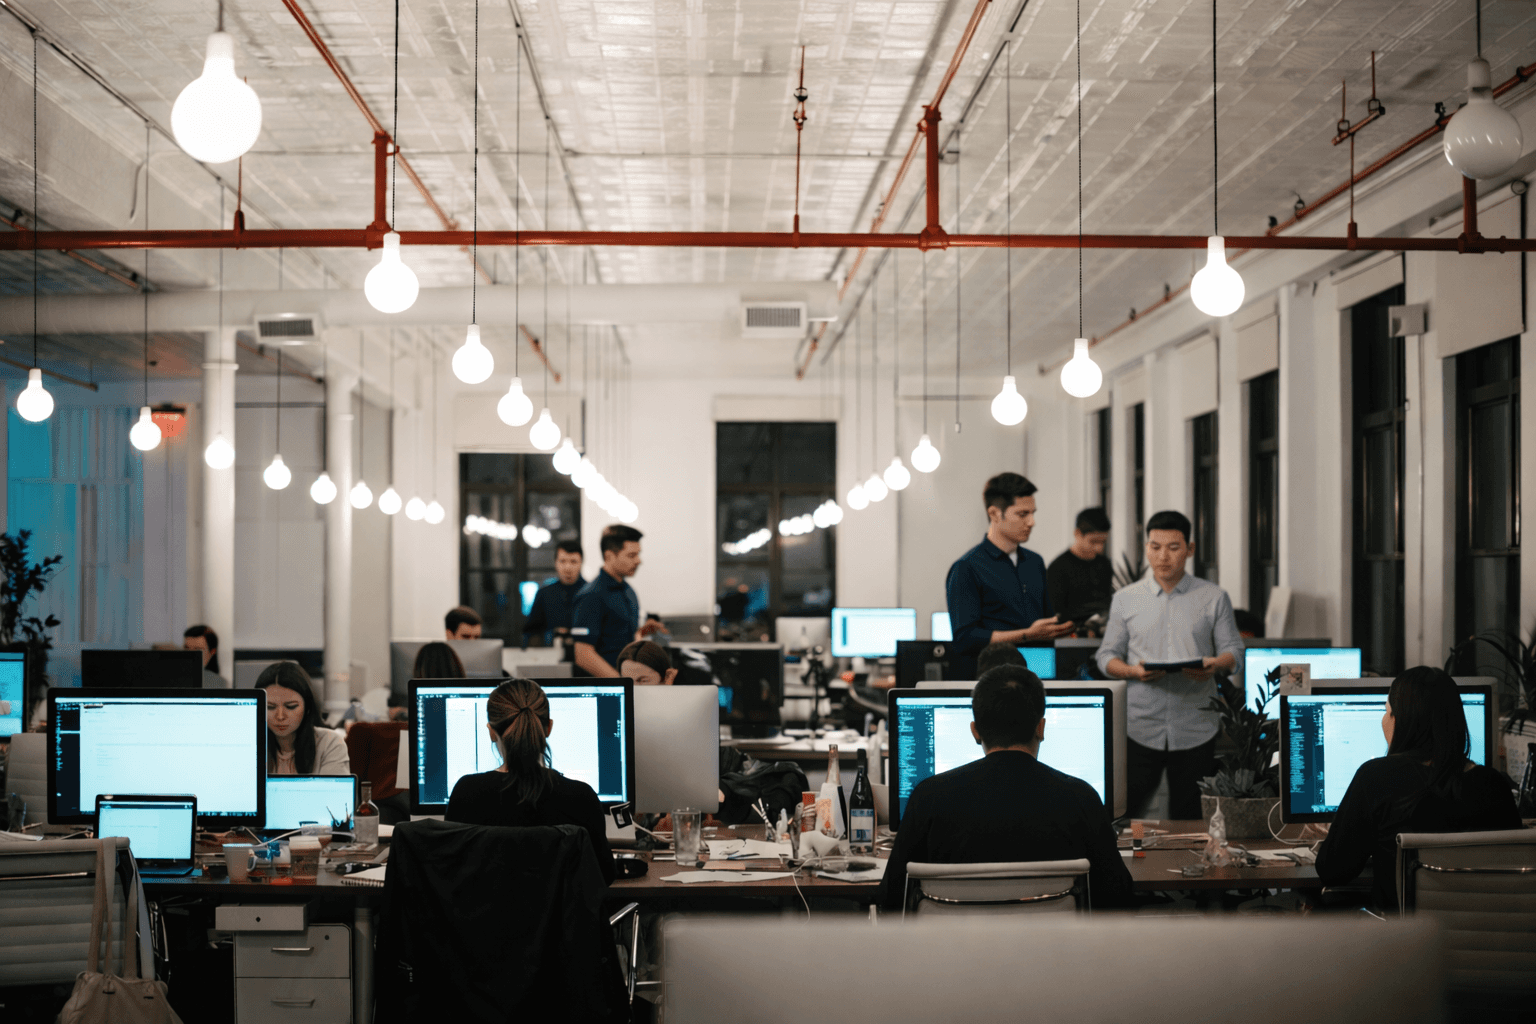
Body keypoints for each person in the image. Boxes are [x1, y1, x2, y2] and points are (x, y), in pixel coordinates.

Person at [879, 665, 1133, 911]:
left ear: (975, 731)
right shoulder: (1082, 797)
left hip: (954, 950)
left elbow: (892, 898)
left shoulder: (928, 796)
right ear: (1041, 728)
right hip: (1055, 950)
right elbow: (1117, 897)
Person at [1315, 667, 1521, 910]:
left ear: (1401, 721)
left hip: (1407, 942)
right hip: (1485, 940)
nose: (1384, 720)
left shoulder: (1376, 777)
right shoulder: (1493, 785)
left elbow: (1332, 871)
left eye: (1387, 711)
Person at [1096, 510, 1244, 820]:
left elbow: (1234, 652)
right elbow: (1106, 656)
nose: (1163, 556)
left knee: (1190, 818)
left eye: (1174, 547)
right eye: (1155, 546)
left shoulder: (1213, 597)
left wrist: (1214, 665)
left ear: (1189, 549)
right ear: (1146, 547)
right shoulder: (1125, 598)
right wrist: (1134, 671)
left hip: (1196, 726)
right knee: (1124, 815)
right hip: (1138, 725)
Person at [445, 678, 616, 884]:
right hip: (561, 917)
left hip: (483, 916)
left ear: (491, 732)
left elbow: (450, 874)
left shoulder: (466, 793)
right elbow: (604, 875)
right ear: (548, 728)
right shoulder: (581, 798)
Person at [945, 472, 1075, 659]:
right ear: (995, 514)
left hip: (1040, 671)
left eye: (1032, 513)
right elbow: (966, 639)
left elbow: (1046, 621)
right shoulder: (966, 568)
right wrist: (1027, 635)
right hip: (995, 676)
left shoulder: (1034, 562)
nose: (1031, 522)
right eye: (1023, 514)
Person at [572, 525, 660, 677]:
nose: (638, 561)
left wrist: (641, 633)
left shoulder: (629, 592)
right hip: (604, 690)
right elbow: (583, 654)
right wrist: (620, 684)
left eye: (638, 554)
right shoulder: (591, 595)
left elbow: (622, 639)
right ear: (609, 556)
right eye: (631, 555)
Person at [254, 662, 351, 776]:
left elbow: (333, 793)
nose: (280, 716)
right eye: (269, 707)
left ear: (307, 707)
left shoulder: (329, 743)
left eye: (291, 706)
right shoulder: (250, 745)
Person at [1046, 507, 1114, 633]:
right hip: (1070, 637)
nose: (1099, 548)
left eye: (1103, 542)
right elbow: (1055, 614)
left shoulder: (1104, 564)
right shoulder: (1058, 568)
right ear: (1077, 534)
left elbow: (1106, 601)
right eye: (1093, 542)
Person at [522, 540, 586, 648]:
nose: (567, 568)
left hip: (585, 658)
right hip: (550, 657)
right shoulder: (544, 594)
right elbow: (531, 633)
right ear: (555, 563)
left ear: (581, 563)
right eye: (563, 561)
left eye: (573, 561)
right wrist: (550, 635)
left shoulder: (591, 594)